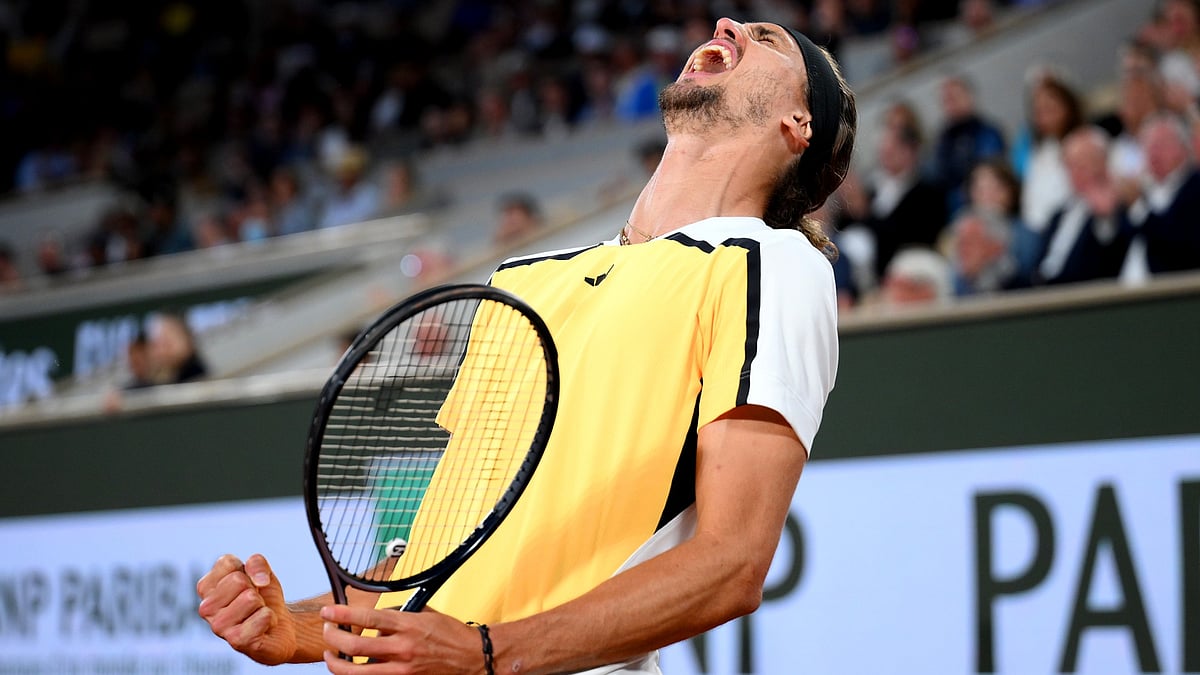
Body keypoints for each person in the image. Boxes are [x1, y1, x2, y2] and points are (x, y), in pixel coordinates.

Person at [197, 17, 855, 675]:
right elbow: (449, 540)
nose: (727, 25)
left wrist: (487, 652)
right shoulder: (523, 279)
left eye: (768, 40)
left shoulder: (776, 265)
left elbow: (731, 562)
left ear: (799, 124)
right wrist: (300, 628)